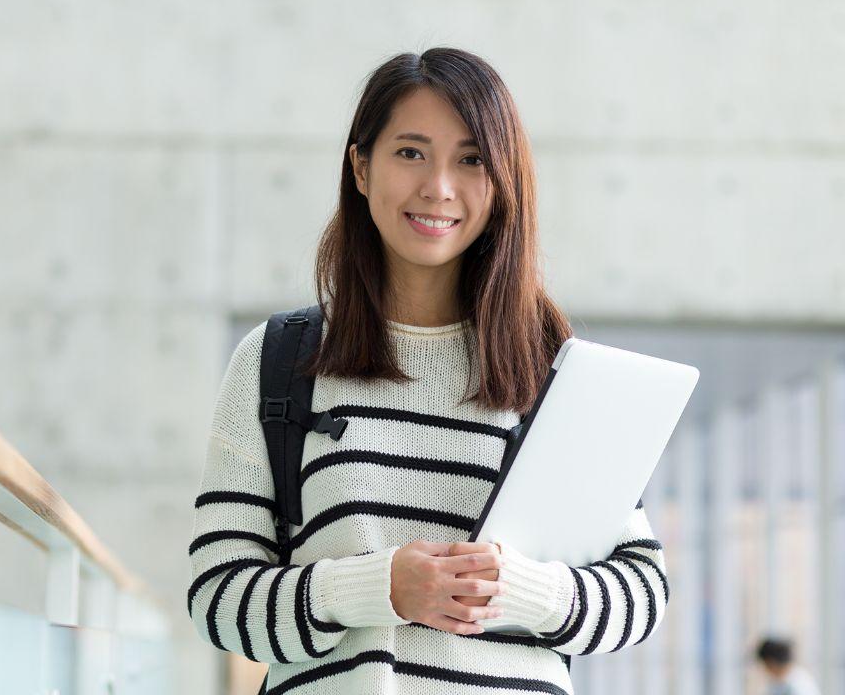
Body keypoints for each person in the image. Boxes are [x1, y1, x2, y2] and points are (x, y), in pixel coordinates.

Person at [185, 48, 669, 695]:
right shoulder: (277, 361)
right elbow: (218, 600)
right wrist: (376, 588)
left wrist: (521, 589)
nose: (438, 186)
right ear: (360, 167)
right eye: (410, 152)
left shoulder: (552, 369)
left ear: (503, 182)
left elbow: (641, 588)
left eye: (471, 160)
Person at [756, 637, 821, 695]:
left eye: (764, 665)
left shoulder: (795, 686)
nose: (764, 670)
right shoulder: (794, 677)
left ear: (771, 663)